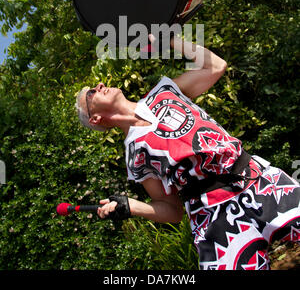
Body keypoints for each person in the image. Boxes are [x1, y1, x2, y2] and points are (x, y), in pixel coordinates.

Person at [76, 36, 300, 270]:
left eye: (96, 85)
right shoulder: (135, 156)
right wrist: (131, 206)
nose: (99, 86)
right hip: (215, 219)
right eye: (91, 93)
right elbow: (172, 211)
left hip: (258, 180)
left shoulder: (164, 92)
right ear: (95, 118)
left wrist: (170, 39)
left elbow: (215, 66)